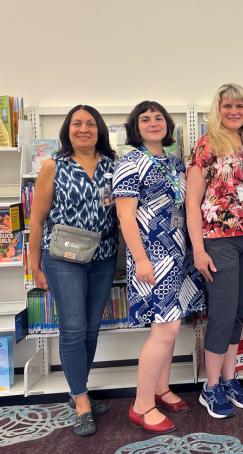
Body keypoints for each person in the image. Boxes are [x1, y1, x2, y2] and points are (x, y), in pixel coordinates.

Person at [113, 101, 205, 433]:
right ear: (135, 127)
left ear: (167, 125)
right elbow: (125, 216)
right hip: (152, 256)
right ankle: (142, 405)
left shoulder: (175, 162)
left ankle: (161, 388)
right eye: (145, 118)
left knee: (171, 325)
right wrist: (140, 259)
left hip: (179, 254)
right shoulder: (129, 162)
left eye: (158, 118)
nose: (153, 123)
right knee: (163, 329)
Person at [29, 105, 118, 437]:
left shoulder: (113, 166)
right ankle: (81, 401)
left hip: (104, 256)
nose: (84, 129)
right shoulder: (53, 166)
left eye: (91, 124)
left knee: (92, 328)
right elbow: (37, 220)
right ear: (67, 129)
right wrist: (34, 265)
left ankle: (77, 388)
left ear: (100, 130)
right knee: (73, 328)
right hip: (63, 258)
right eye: (77, 123)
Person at [186, 83, 243, 419]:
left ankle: (229, 378)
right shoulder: (206, 146)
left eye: (240, 106)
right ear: (217, 111)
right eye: (228, 107)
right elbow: (192, 203)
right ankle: (210, 388)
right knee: (221, 313)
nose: (234, 112)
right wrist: (198, 249)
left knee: (237, 313)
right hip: (219, 241)